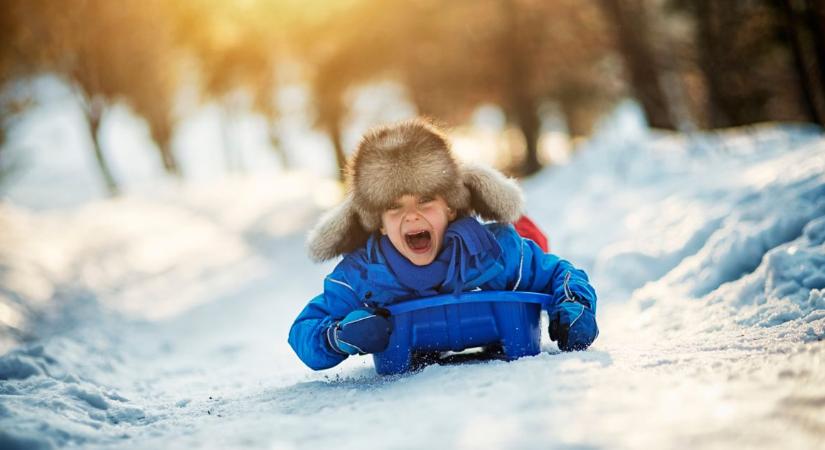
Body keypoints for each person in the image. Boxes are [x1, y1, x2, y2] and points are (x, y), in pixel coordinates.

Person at [288, 118, 598, 371]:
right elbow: (305, 328)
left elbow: (560, 273)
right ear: (379, 223)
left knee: (530, 239)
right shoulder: (364, 276)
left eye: (425, 201)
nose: (412, 216)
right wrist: (337, 337)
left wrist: (574, 306)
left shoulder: (495, 253)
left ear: (450, 207)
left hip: (497, 251)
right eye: (395, 207)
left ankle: (526, 227)